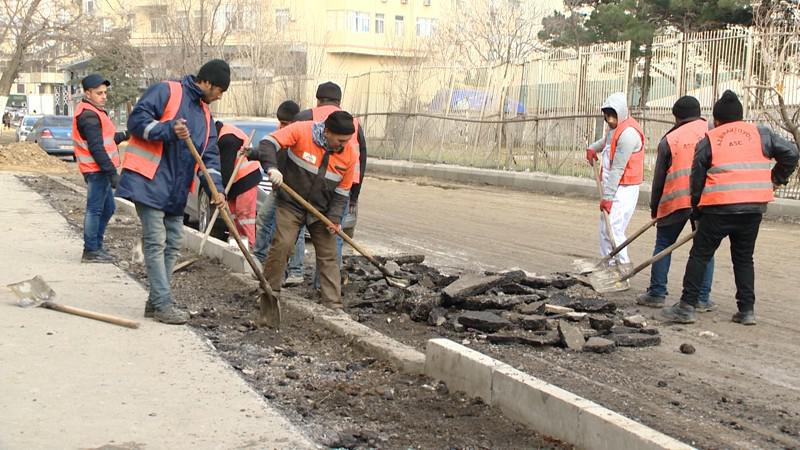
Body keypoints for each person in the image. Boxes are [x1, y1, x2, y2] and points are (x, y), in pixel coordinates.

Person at [662, 90, 799, 326]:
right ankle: (746, 311)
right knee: (744, 259)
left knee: (700, 255)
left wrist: (697, 212)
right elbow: (792, 153)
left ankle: (686, 307)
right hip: (753, 208)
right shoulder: (761, 133)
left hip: (718, 207)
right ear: (741, 116)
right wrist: (775, 179)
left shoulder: (710, 139)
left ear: (716, 119)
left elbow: (697, 180)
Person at [116, 59, 228, 324]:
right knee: (156, 241)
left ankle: (155, 302)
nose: (220, 96)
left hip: (176, 189)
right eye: (219, 90)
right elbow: (136, 121)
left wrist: (217, 189)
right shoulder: (167, 91)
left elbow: (209, 156)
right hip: (149, 181)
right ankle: (163, 303)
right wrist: (168, 129)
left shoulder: (205, 117)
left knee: (173, 242)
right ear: (207, 82)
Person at [249, 110, 358, 310]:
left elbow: (342, 193)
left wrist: (334, 218)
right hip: (291, 203)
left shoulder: (350, 154)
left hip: (321, 211)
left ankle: (333, 305)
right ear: (327, 131)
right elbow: (267, 143)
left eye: (347, 140)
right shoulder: (301, 131)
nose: (344, 145)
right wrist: (272, 168)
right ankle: (268, 295)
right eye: (341, 140)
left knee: (329, 253)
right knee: (283, 245)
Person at [637, 96, 715, 311]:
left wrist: (655, 208)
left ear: (676, 117)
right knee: (704, 249)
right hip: (707, 200)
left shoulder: (670, 139)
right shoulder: (714, 131)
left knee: (663, 243)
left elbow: (659, 179)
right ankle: (701, 298)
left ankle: (657, 293)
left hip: (677, 199)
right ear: (699, 113)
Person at [295, 82, 368, 286]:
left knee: (297, 229)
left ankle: (295, 271)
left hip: (311, 184)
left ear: (318, 99)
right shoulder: (352, 122)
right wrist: (355, 196)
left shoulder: (306, 116)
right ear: (339, 102)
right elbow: (362, 159)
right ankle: (324, 285)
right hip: (344, 188)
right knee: (334, 234)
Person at [73, 74, 130, 263]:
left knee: (107, 209)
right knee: (95, 210)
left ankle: (96, 247)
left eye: (105, 92)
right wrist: (112, 173)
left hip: (99, 169)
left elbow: (106, 141)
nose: (104, 96)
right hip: (96, 170)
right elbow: (97, 148)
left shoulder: (95, 112)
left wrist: (125, 135)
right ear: (87, 93)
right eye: (99, 93)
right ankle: (91, 251)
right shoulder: (88, 115)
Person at [586, 92, 645, 265]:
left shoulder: (628, 134)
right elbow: (607, 142)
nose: (610, 120)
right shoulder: (616, 129)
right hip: (614, 186)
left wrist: (608, 197)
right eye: (607, 116)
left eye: (613, 116)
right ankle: (609, 265)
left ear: (621, 112)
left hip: (624, 188)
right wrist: (592, 148)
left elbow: (618, 169)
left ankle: (622, 266)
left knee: (613, 229)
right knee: (605, 228)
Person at [253, 100, 302, 269]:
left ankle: (295, 269)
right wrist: (253, 153)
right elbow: (270, 153)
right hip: (278, 189)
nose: (281, 127)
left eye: (285, 124)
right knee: (264, 219)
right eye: (280, 122)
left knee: (293, 232)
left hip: (294, 193)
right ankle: (257, 259)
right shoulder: (280, 134)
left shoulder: (299, 139)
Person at [216, 120, 262, 249]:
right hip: (236, 182)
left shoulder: (227, 139)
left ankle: (250, 249)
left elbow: (226, 169)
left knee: (244, 214)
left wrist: (221, 192)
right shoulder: (223, 133)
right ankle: (235, 248)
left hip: (247, 178)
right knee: (233, 216)